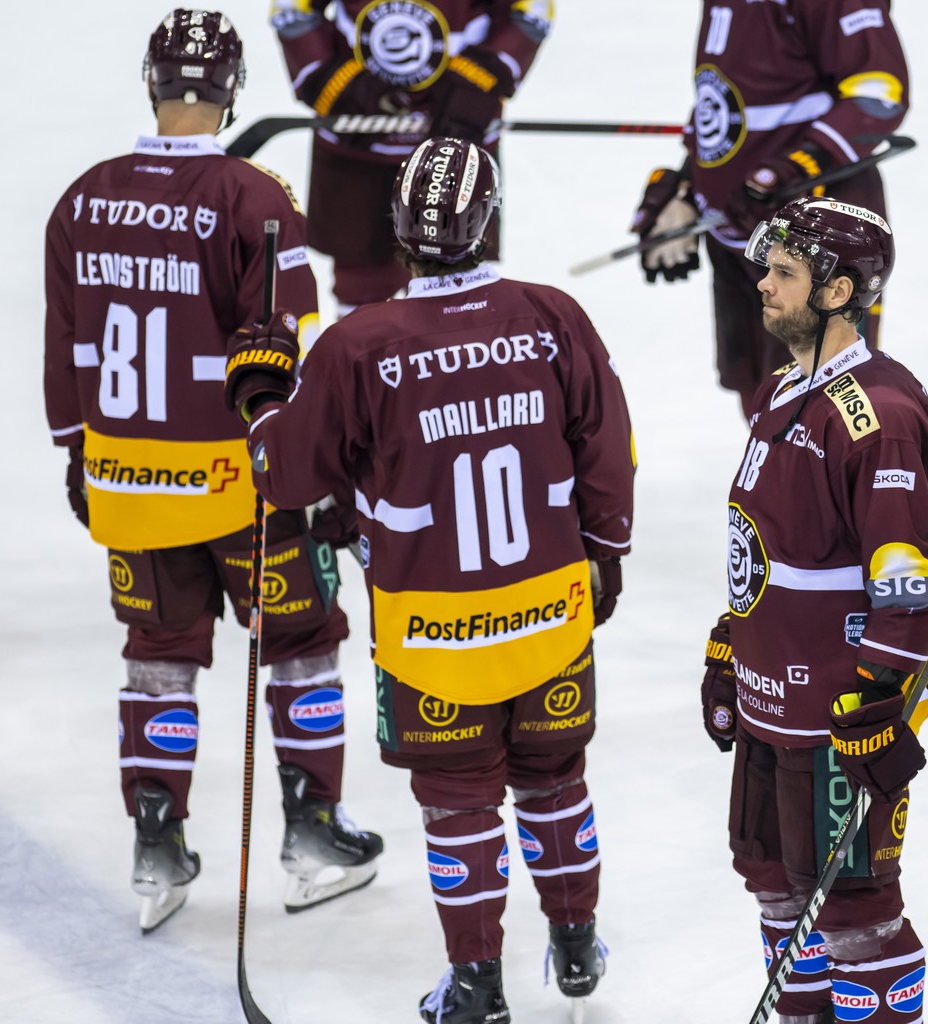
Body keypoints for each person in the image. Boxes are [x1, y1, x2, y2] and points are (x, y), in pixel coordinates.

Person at [227, 136, 635, 1023]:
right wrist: (606, 554)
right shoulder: (552, 315)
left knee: (459, 806)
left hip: (428, 638)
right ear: (489, 223)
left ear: (398, 232)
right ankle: (574, 946)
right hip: (548, 615)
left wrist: (262, 395)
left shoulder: (356, 345)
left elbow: (285, 478)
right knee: (555, 779)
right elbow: (607, 456)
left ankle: (477, 985)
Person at [42, 8, 382, 934]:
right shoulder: (256, 199)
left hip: (127, 482)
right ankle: (312, 832)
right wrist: (326, 475)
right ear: (232, 93)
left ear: (149, 85)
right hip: (246, 484)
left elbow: (65, 352)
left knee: (158, 658)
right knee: (303, 643)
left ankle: (157, 843)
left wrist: (79, 453)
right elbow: (292, 358)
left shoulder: (81, 198)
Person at [699, 197, 928, 1024]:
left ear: (839, 291)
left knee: (853, 914)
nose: (761, 285)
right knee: (775, 885)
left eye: (784, 274)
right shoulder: (782, 387)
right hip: (775, 705)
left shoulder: (878, 417)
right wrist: (731, 646)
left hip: (837, 721)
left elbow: (911, 581)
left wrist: (880, 697)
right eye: (765, 268)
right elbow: (766, 548)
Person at [631, 0, 909, 404]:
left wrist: (788, 170)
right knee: (761, 394)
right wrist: (687, 189)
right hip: (737, 239)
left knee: (822, 402)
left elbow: (878, 94)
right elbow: (725, 101)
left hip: (814, 246)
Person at [269, 0, 552, 316]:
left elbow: (532, 9)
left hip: (457, 155)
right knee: (362, 289)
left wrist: (480, 78)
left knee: (458, 287)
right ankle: (359, 359)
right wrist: (334, 83)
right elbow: (291, 8)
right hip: (357, 152)